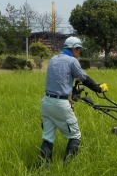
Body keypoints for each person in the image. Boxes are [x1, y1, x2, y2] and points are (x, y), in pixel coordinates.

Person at [40, 36, 107, 166]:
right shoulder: (72, 61)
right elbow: (84, 78)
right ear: (74, 49)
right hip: (60, 104)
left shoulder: (53, 59)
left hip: (46, 103)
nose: (79, 53)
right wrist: (98, 88)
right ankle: (67, 167)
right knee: (75, 135)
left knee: (47, 138)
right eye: (79, 50)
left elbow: (58, 81)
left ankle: (44, 168)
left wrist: (71, 91)